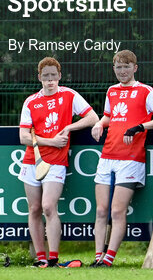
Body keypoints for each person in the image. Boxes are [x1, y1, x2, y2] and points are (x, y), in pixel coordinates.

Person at [89, 50, 153, 267]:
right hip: (107, 156)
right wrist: (99, 123)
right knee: (101, 210)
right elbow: (109, 116)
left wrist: (140, 127)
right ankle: (97, 257)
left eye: (126, 67)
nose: (122, 71)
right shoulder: (111, 91)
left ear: (135, 68)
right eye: (118, 67)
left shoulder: (145, 91)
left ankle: (109, 259)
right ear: (113, 69)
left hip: (131, 159)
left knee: (117, 210)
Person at [18, 56, 99, 268]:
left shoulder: (70, 95)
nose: (50, 81)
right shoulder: (31, 101)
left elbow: (92, 118)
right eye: (46, 77)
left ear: (59, 76)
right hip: (32, 161)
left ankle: (53, 258)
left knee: (48, 206)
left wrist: (70, 127)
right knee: (34, 208)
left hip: (56, 162)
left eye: (54, 76)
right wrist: (51, 141)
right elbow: (24, 137)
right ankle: (41, 259)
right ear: (39, 78)